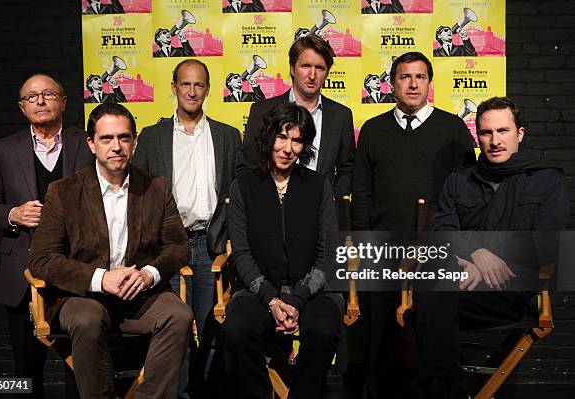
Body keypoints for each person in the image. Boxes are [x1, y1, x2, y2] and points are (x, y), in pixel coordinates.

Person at [28, 102, 193, 399]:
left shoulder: (156, 187)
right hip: (83, 296)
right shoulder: (63, 192)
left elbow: (179, 247)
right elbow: (42, 260)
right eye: (106, 138)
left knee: (179, 315)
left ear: (134, 141)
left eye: (124, 137)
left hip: (140, 296)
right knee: (87, 319)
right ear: (91, 144)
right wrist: (101, 279)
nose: (116, 146)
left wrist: (147, 275)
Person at [415, 97, 569, 398]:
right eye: (486, 133)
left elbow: (545, 244)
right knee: (430, 286)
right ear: (477, 135)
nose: (495, 141)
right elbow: (444, 230)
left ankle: (441, 388)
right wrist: (476, 253)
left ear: (519, 134)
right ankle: (445, 389)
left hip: (513, 290)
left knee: (429, 300)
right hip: (464, 281)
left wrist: (486, 255)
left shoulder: (547, 179)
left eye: (503, 131)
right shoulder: (459, 181)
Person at [352, 51, 476, 398]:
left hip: (437, 248)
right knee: (380, 333)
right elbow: (361, 190)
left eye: (420, 77)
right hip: (384, 247)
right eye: (405, 77)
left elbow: (468, 191)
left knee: (433, 329)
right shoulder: (374, 130)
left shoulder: (453, 128)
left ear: (430, 84)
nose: (412, 83)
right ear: (392, 84)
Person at [0, 74, 95, 397]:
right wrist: (12, 214)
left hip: (76, 271)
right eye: (32, 97)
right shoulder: (1, 150)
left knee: (80, 366)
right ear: (22, 107)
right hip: (22, 274)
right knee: (26, 370)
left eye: (47, 94)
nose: (40, 101)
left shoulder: (86, 144)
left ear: (63, 101)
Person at [132, 59, 241, 396]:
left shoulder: (227, 135)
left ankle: (207, 392)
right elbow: (136, 196)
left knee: (213, 330)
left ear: (207, 90)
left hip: (212, 245)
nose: (192, 91)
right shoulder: (151, 137)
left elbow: (236, 191)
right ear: (174, 87)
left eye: (199, 85)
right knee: (172, 331)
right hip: (169, 248)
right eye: (185, 84)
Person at [224, 102, 343, 398]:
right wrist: (272, 300)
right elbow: (241, 252)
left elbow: (327, 253)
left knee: (324, 330)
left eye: (297, 140)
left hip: (313, 292)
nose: (288, 148)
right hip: (258, 291)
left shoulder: (319, 185)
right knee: (236, 329)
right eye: (281, 137)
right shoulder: (244, 186)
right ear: (268, 138)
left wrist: (297, 299)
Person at [238, 35, 355, 199]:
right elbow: (247, 166)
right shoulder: (262, 111)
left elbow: (347, 169)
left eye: (320, 68)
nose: (312, 75)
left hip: (321, 213)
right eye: (306, 66)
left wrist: (330, 199)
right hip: (271, 210)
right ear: (293, 68)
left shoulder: (341, 115)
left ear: (327, 72)